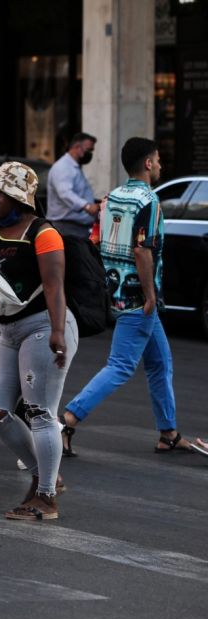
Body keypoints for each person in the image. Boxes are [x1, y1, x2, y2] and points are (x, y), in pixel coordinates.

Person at [61, 137, 208, 459]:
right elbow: (143, 250)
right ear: (148, 163)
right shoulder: (149, 202)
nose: (160, 165)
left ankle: (168, 433)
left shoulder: (111, 197)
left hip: (113, 291)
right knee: (121, 365)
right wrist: (150, 295)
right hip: (137, 299)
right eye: (158, 159)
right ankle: (68, 420)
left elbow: (96, 241)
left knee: (159, 363)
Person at [0, 162, 77, 520]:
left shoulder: (43, 233)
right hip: (9, 332)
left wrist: (57, 332)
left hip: (43, 326)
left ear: (19, 197)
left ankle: (46, 497)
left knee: (40, 412)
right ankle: (45, 475)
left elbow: (54, 285)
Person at [47, 132, 99, 239]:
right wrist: (87, 206)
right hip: (66, 227)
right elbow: (65, 193)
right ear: (77, 147)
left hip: (76, 228)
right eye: (89, 150)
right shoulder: (63, 167)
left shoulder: (73, 167)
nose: (90, 153)